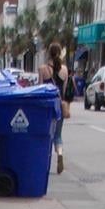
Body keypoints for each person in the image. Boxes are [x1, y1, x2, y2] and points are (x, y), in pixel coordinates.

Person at [39, 41, 74, 174]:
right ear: (59, 53)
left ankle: (45, 161)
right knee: (58, 135)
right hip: (59, 106)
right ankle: (59, 154)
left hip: (47, 106)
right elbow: (65, 91)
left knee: (46, 134)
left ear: (49, 53)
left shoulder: (43, 69)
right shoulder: (64, 70)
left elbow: (40, 88)